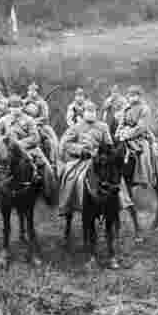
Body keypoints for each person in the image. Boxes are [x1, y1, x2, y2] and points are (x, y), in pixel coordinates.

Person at [56, 101, 134, 257]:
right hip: (82, 159)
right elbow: (67, 144)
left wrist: (107, 152)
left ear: (97, 112)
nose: (90, 113)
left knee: (116, 180)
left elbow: (109, 144)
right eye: (88, 111)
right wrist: (80, 150)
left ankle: (122, 201)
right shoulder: (75, 127)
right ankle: (67, 204)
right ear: (83, 112)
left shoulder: (103, 126)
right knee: (70, 176)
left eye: (93, 110)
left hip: (101, 160)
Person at [0, 94, 57, 206]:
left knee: (47, 169)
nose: (15, 109)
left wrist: (19, 144)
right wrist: (4, 141)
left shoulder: (29, 120)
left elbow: (35, 137)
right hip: (9, 149)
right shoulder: (3, 120)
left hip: (29, 148)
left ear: (22, 107)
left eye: (17, 106)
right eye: (12, 107)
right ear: (9, 108)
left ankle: (49, 194)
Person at [114, 85, 158, 190]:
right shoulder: (126, 109)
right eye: (131, 95)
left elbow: (141, 127)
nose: (132, 97)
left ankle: (144, 178)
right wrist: (118, 133)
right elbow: (121, 123)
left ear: (139, 96)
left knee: (144, 154)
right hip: (124, 135)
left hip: (140, 137)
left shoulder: (145, 109)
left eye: (135, 95)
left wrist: (127, 135)